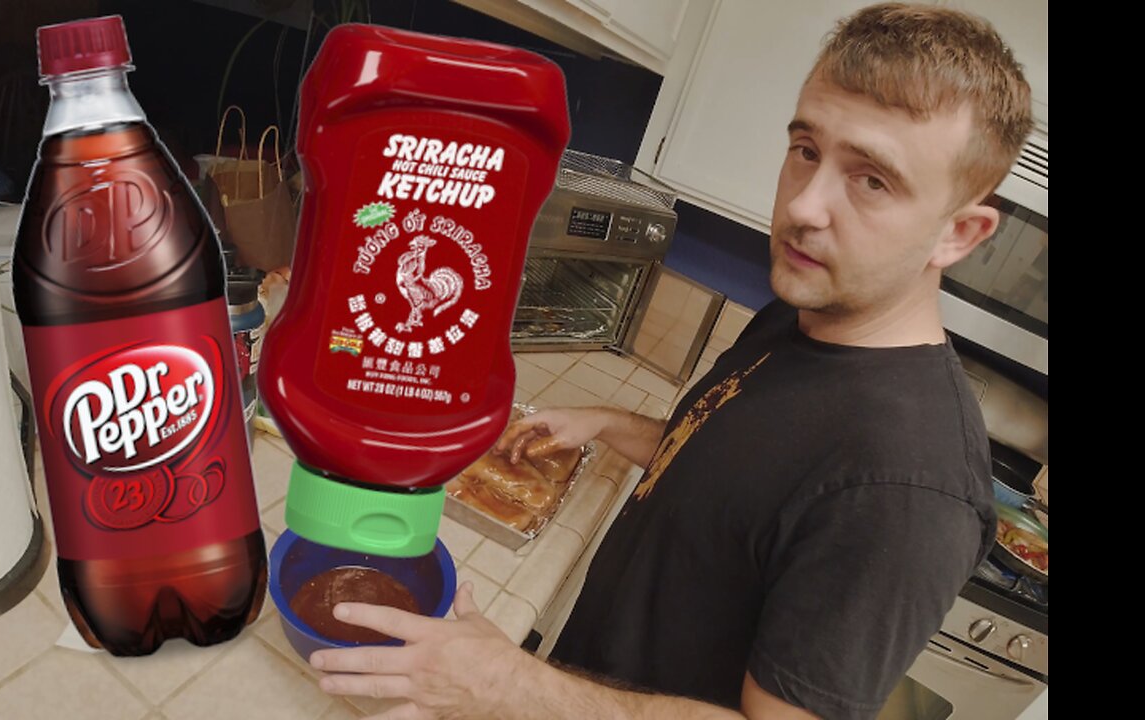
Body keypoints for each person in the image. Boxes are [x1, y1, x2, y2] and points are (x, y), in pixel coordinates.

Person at [308, 3, 1032, 718]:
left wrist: (505, 685)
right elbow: (735, 478)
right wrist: (603, 422)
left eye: (872, 179)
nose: (804, 206)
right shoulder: (805, 312)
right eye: (807, 149)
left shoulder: (908, 492)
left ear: (960, 234)